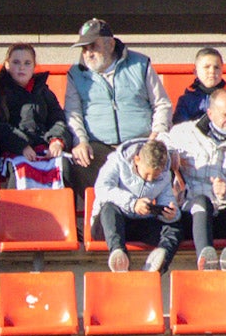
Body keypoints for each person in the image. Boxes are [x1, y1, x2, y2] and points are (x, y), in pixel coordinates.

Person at [65, 18, 172, 202]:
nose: (88, 53)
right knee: (78, 162)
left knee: (157, 159)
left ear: (111, 44)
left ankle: (143, 217)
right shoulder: (76, 74)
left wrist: (157, 134)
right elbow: (73, 114)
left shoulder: (139, 64)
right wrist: (80, 141)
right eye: (84, 48)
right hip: (98, 146)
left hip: (140, 143)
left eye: (93, 46)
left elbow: (162, 104)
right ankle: (100, 218)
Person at [165, 88, 226, 270]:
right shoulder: (183, 134)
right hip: (191, 214)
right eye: (225, 114)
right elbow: (158, 152)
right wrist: (173, 170)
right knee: (201, 202)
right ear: (210, 113)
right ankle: (206, 259)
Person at [90, 138, 181, 273]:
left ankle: (158, 262)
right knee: (109, 208)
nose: (150, 179)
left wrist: (171, 214)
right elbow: (102, 189)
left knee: (176, 226)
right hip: (109, 225)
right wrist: (133, 203)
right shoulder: (117, 161)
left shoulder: (165, 175)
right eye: (147, 173)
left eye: (155, 175)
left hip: (138, 223)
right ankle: (119, 256)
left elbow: (167, 201)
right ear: (136, 159)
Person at [0, 43, 71, 189]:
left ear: (34, 66)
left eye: (27, 63)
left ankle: (61, 209)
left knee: (64, 166)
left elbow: (57, 118)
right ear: (7, 65)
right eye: (16, 62)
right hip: (16, 148)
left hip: (44, 145)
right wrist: (21, 146)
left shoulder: (43, 91)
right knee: (21, 168)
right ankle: (17, 210)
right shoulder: (0, 91)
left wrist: (56, 140)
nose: (22, 67)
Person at [172, 47, 226, 125]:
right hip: (195, 135)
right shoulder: (187, 100)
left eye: (216, 67)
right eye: (207, 67)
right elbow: (180, 127)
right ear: (195, 71)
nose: (212, 71)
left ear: (222, 70)